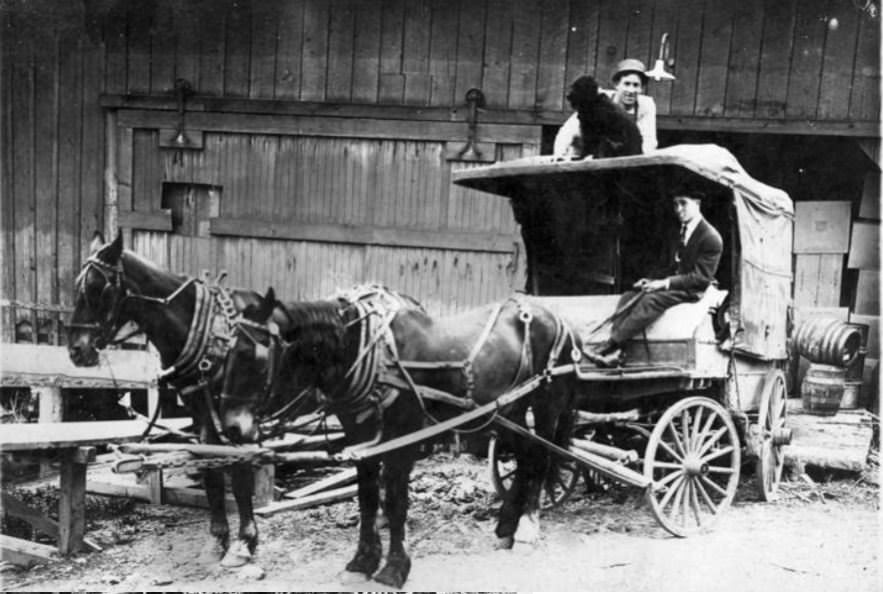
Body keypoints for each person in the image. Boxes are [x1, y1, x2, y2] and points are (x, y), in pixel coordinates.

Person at [584, 190, 723, 367]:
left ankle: (610, 345)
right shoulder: (680, 231)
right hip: (677, 284)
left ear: (697, 204)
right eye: (675, 204)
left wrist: (664, 284)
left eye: (683, 203)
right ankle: (618, 350)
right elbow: (671, 265)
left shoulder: (711, 238)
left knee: (650, 300)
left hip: (692, 290)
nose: (678, 209)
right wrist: (649, 280)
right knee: (629, 295)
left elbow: (701, 278)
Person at [554, 58, 658, 157]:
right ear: (617, 85)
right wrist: (559, 154)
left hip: (626, 152)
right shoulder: (598, 99)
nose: (631, 90)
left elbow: (649, 140)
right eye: (626, 84)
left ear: (642, 88)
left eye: (636, 85)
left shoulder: (646, 104)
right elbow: (568, 131)